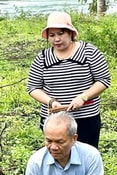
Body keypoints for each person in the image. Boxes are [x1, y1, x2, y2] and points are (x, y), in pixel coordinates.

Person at [27, 11, 111, 148]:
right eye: (52, 35)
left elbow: (103, 80)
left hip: (86, 117)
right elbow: (33, 87)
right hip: (54, 120)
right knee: (58, 154)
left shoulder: (89, 52)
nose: (57, 39)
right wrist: (50, 101)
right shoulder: (42, 58)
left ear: (71, 33)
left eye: (61, 34)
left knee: (86, 154)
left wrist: (83, 97)